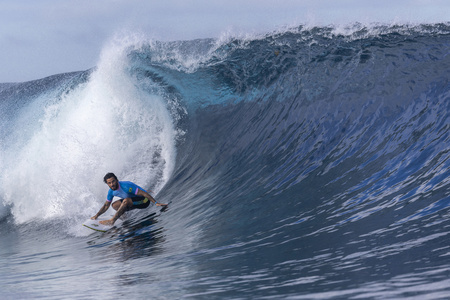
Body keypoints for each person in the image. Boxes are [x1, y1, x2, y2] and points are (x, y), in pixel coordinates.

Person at [91, 173, 167, 226]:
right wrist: (96, 215)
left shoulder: (126, 186)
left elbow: (144, 193)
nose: (112, 184)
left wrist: (156, 202)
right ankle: (124, 219)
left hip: (144, 201)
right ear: (107, 184)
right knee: (114, 205)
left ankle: (112, 220)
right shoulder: (111, 191)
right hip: (132, 202)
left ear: (117, 180)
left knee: (125, 201)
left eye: (113, 181)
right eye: (109, 183)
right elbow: (105, 206)